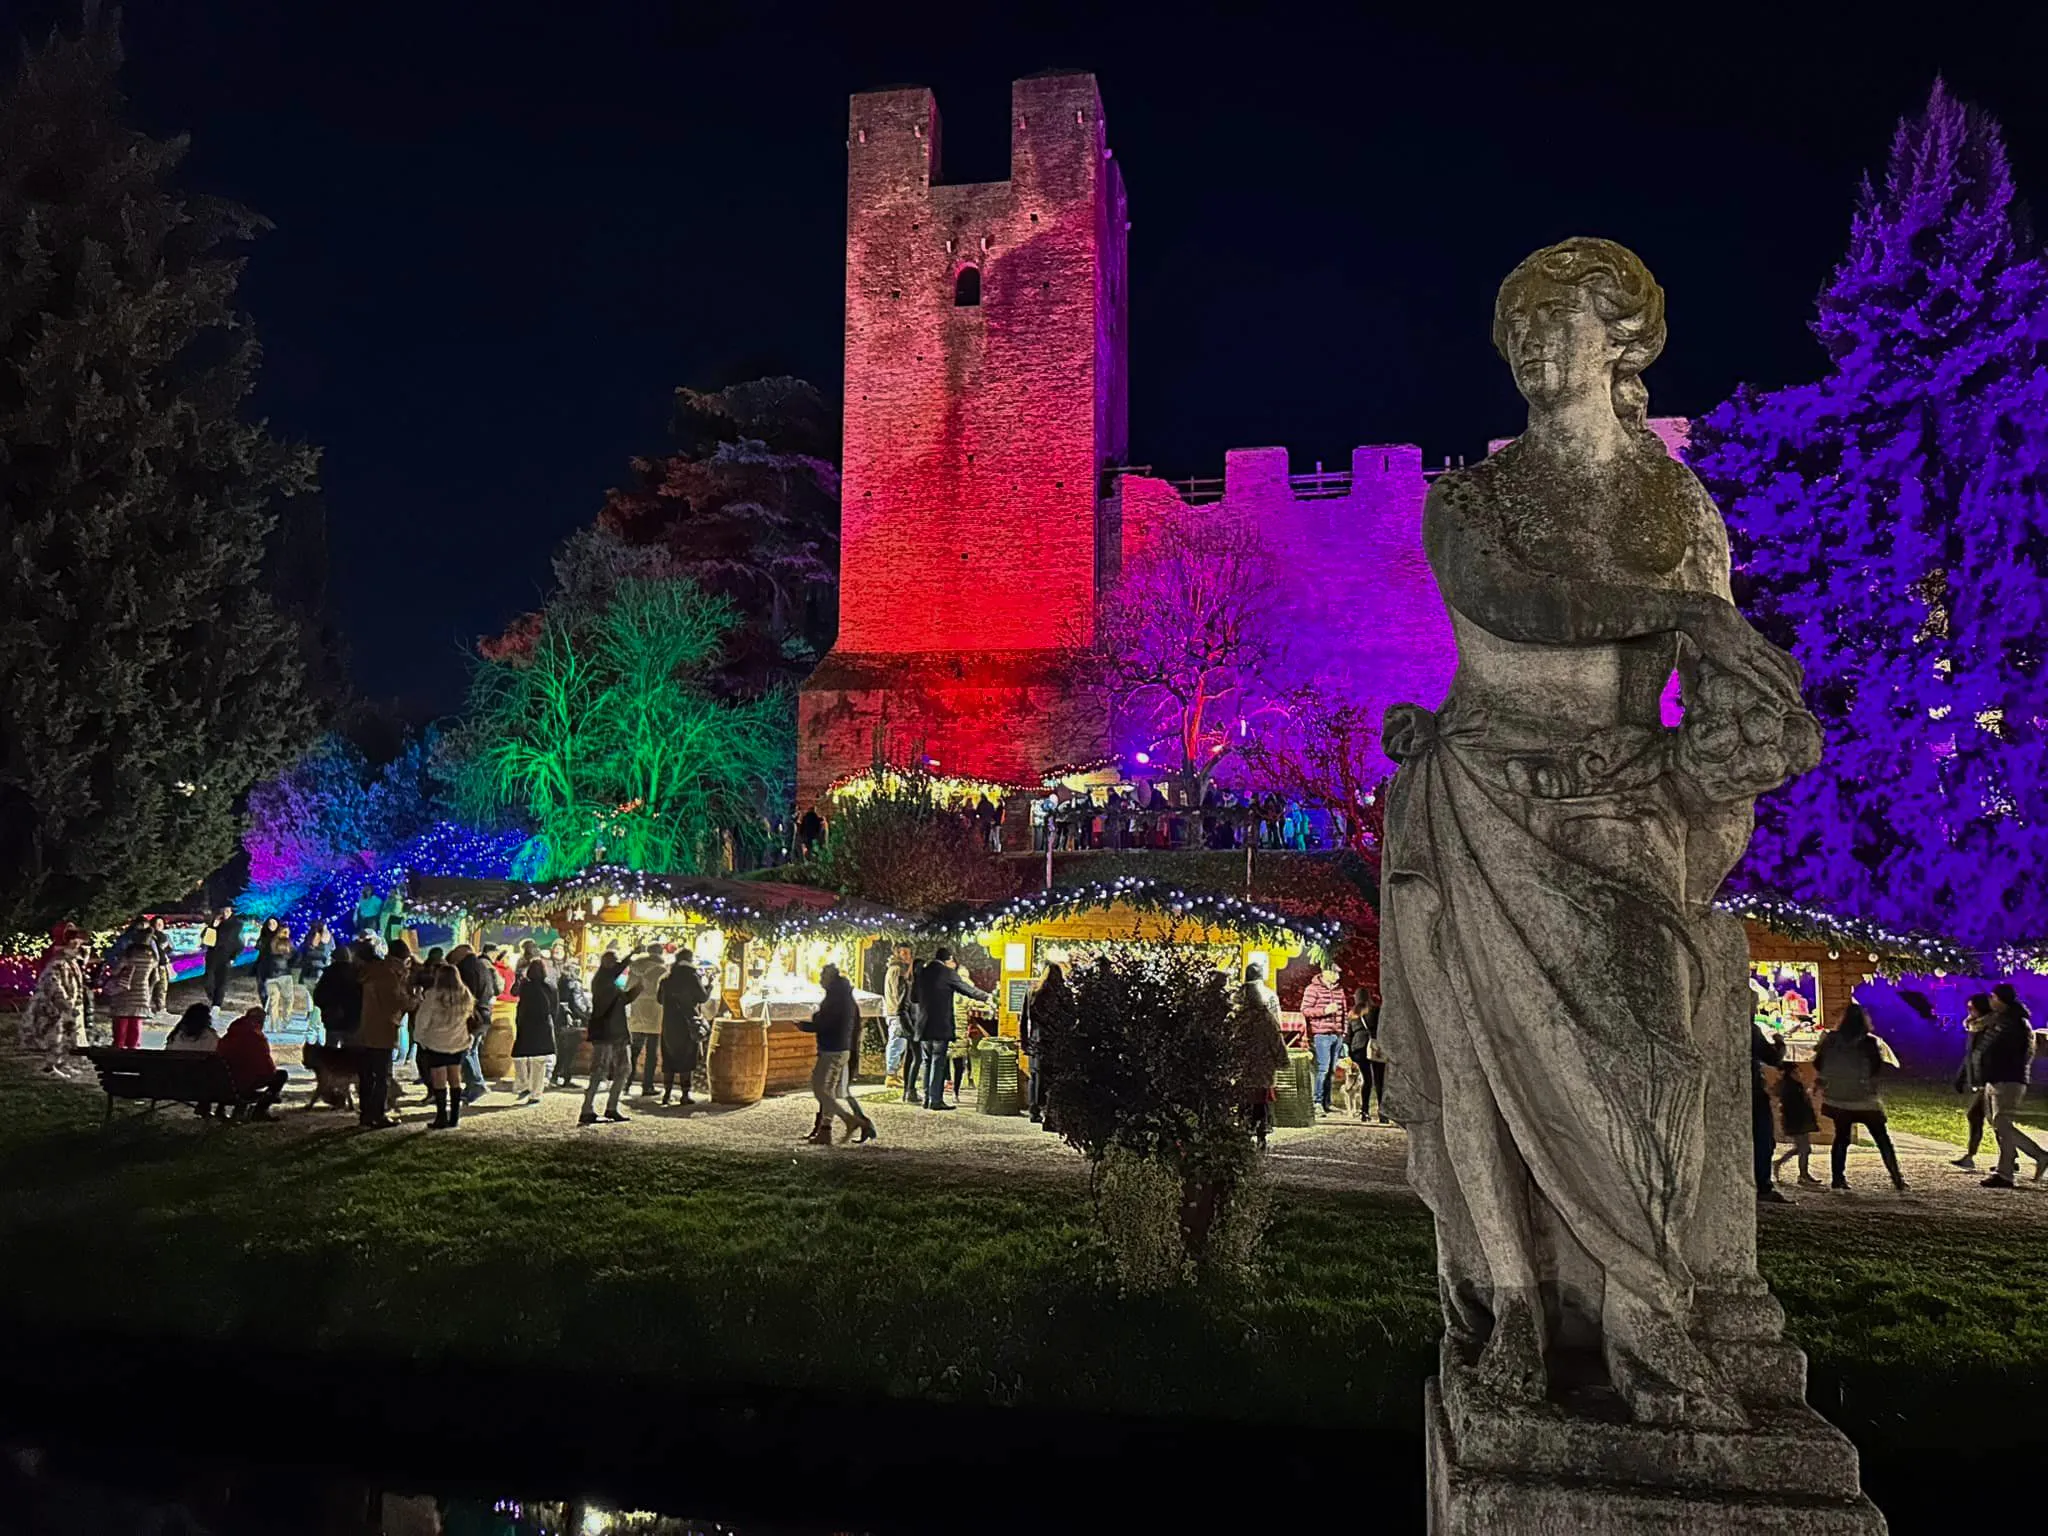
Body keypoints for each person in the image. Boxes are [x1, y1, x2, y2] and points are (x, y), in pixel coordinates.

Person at [1811, 1004, 1906, 1192]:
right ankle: (1897, 1178)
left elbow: (1818, 1062)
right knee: (1882, 1138)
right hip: (1864, 1097)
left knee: (1841, 1138)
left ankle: (1838, 1179)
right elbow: (1876, 1066)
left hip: (1837, 1096)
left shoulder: (1831, 1040)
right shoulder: (1868, 1042)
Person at [800, 964, 877, 1145]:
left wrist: (807, 1025)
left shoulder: (837, 999)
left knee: (823, 1090)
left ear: (829, 978)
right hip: (841, 1048)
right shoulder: (842, 997)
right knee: (832, 1091)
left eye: (822, 976)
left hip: (835, 1048)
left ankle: (853, 1120)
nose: (819, 979)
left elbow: (827, 1023)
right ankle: (825, 1130)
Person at [1979, 982, 2046, 1189]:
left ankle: (2007, 1172)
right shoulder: (2003, 1021)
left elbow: (2010, 1053)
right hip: (1996, 1078)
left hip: (2008, 1079)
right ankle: (2025, 1160)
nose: (1991, 1001)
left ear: (2002, 999)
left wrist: (1995, 1070)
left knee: (2002, 1123)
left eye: (1994, 997)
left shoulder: (2015, 1023)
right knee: (1999, 1123)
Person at [915, 947, 991, 1110]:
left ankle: (927, 1098)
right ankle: (935, 1100)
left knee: (927, 1061)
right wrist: (987, 997)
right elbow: (967, 989)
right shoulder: (946, 972)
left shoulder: (923, 972)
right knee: (937, 1061)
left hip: (923, 1023)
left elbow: (913, 997)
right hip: (940, 1023)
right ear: (948, 959)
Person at [355, 938, 418, 1129]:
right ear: (404, 957)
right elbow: (397, 1002)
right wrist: (415, 999)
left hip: (365, 1028)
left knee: (367, 1075)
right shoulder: (390, 975)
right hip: (383, 1029)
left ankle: (366, 1113)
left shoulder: (373, 970)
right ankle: (379, 1114)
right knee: (382, 1076)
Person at [412, 962, 479, 1129]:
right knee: (455, 1078)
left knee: (439, 1080)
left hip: (436, 1042)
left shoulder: (432, 996)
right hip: (458, 1041)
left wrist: (419, 1038)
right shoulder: (465, 995)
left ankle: (441, 1116)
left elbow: (422, 1020)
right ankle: (455, 1116)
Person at [581, 951, 642, 1125]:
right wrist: (639, 986)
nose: (616, 965)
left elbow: (623, 995)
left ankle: (610, 1107)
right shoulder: (603, 981)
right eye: (613, 962)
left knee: (623, 1068)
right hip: (607, 1033)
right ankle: (589, 1109)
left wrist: (631, 958)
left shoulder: (605, 980)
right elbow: (624, 999)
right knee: (600, 1070)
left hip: (615, 1032)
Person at [22, 928, 88, 1074]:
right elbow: (53, 983)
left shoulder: (71, 961)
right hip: (53, 1006)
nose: (80, 944)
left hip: (67, 1005)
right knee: (55, 1036)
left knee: (66, 1036)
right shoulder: (58, 961)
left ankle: (61, 1063)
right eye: (77, 940)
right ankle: (51, 1066)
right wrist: (63, 1001)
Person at [1948, 993, 1997, 1171]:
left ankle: (2010, 1157)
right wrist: (1962, 1076)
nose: (1969, 1011)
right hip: (1979, 1079)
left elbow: (1982, 1055)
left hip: (1989, 1079)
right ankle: (1971, 1156)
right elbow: (1970, 1055)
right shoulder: (1973, 1027)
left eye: (1972, 1008)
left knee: (1988, 1118)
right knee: (1981, 1117)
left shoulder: (1989, 1028)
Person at [1239, 962, 1285, 1148]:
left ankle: (1243, 1129)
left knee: (1244, 1096)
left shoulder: (1236, 997)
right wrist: (1281, 1057)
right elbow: (1277, 1030)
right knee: (1261, 1097)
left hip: (1243, 1061)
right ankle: (1261, 1131)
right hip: (1263, 1060)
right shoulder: (1270, 998)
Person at [1019, 961, 1070, 1127]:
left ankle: (1034, 1111)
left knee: (1035, 1076)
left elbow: (1024, 1020)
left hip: (1036, 1039)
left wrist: (1024, 1040)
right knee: (1052, 1079)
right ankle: (1050, 1116)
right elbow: (1070, 1018)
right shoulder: (1064, 994)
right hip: (1055, 1042)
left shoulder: (1033, 993)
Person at [217, 1006, 289, 1119]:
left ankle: (224, 1109)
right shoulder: (257, 1038)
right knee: (281, 1075)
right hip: (245, 1084)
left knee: (232, 1073)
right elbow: (268, 1069)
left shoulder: (229, 1035)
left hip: (225, 1084)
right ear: (260, 1021)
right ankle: (260, 1111)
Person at [103, 929, 169, 1051]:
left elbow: (115, 971)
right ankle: (133, 1051)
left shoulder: (129, 955)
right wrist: (149, 991)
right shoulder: (152, 957)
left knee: (121, 1025)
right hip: (142, 993)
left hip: (123, 993)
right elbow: (155, 978)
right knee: (136, 1024)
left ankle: (118, 1052)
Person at [658, 949, 709, 1105]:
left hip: (669, 1023)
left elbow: (659, 999)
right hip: (687, 1022)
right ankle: (685, 1094)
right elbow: (702, 997)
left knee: (670, 1057)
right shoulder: (692, 977)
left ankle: (666, 1094)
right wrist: (710, 986)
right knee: (687, 1058)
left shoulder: (667, 978)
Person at [449, 943, 498, 1104]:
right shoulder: (482, 966)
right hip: (484, 1013)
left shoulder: (466, 968)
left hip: (473, 1015)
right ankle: (473, 1085)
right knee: (472, 1050)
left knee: (466, 1050)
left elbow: (466, 992)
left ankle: (477, 1084)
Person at [1769, 1044, 1822, 1189]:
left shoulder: (1793, 1085)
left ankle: (1788, 1167)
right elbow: (1794, 1106)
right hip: (1797, 1121)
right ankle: (1802, 1175)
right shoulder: (1791, 1087)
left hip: (1799, 1121)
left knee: (1803, 1148)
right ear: (1791, 1072)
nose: (1800, 1073)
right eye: (1797, 1070)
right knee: (1804, 1148)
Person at [1299, 964, 1349, 1116]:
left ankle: (1327, 1102)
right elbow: (1305, 1010)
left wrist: (1344, 1031)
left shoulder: (1339, 990)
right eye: (1335, 973)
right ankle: (1317, 1102)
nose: (1338, 977)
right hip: (1322, 1035)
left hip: (1337, 1035)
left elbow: (1344, 1012)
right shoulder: (1312, 989)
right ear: (1326, 972)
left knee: (1332, 1070)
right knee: (1323, 1069)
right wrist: (1324, 1011)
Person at [508, 959, 558, 1106]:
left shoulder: (525, 985)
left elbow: (513, 993)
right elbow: (555, 1008)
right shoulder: (550, 986)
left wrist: (518, 979)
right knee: (539, 1061)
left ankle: (523, 1084)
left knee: (520, 1056)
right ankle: (536, 1093)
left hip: (526, 1024)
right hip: (543, 1025)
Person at [1750, 1023, 1789, 1203]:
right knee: (1763, 1139)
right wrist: (1780, 1044)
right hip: (1752, 1090)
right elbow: (1772, 1058)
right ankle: (1762, 1185)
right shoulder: (1750, 1028)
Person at [627, 945, 668, 1097]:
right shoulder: (662, 971)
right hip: (655, 1013)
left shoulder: (635, 968)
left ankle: (626, 1082)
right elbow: (664, 993)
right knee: (651, 1053)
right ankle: (647, 1086)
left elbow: (627, 989)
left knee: (633, 1051)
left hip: (637, 1012)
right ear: (660, 953)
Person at [1346, 990, 1390, 1124]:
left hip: (1358, 1048)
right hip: (1375, 1047)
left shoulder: (1352, 1014)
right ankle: (1383, 1113)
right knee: (1379, 1081)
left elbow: (1349, 1034)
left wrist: (1350, 1054)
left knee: (1366, 1080)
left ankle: (1364, 1111)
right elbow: (1382, 1028)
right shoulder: (1376, 1010)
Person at [552, 952, 591, 1089]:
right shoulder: (575, 984)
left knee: (561, 1049)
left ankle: (556, 1075)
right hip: (572, 1021)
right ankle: (566, 1077)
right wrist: (588, 1016)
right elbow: (578, 1004)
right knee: (570, 1051)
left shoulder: (560, 982)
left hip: (560, 1019)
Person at [313, 944, 364, 1046]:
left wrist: (323, 1007)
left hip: (332, 1015)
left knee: (332, 1046)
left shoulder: (329, 973)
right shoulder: (357, 972)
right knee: (350, 1048)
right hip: (352, 1017)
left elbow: (319, 994)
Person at [882, 944, 915, 1090]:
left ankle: (895, 1074)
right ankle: (891, 1075)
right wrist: (902, 1009)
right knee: (896, 1043)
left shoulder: (899, 970)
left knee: (900, 1043)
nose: (908, 956)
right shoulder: (896, 970)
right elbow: (897, 992)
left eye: (909, 953)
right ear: (898, 954)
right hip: (896, 1012)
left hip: (897, 1011)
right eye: (904, 953)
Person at [203, 905, 241, 1008]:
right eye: (223, 911)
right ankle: (213, 997)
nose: (225, 913)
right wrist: (213, 926)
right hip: (212, 956)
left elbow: (235, 941)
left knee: (221, 982)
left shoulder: (236, 925)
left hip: (225, 957)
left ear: (231, 912)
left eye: (227, 911)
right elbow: (206, 939)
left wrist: (233, 957)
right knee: (208, 981)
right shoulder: (215, 922)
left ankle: (216, 1004)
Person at [253, 921, 290, 1014]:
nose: (271, 926)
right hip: (262, 964)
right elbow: (257, 946)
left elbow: (288, 951)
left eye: (274, 924)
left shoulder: (280, 937)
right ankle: (266, 1005)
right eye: (269, 923)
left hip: (274, 966)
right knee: (261, 987)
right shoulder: (264, 935)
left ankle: (270, 1008)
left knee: (271, 988)